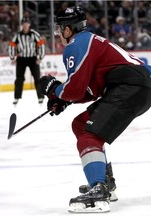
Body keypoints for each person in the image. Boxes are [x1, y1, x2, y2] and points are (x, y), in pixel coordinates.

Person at [39, 6, 151, 213]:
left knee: (89, 135)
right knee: (81, 124)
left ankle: (99, 190)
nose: (58, 32)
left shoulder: (76, 45)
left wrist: (55, 89)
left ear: (68, 29)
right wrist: (64, 100)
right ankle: (105, 182)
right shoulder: (90, 40)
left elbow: (74, 89)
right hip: (136, 86)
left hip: (130, 87)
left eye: (60, 28)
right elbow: (91, 89)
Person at [8, 16, 45, 105]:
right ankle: (17, 97)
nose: (25, 25)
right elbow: (12, 45)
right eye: (24, 23)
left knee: (37, 78)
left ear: (29, 24)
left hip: (33, 58)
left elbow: (41, 44)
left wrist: (40, 57)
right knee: (19, 79)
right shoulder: (18, 35)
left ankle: (40, 96)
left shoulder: (34, 34)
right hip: (21, 59)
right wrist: (12, 58)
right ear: (22, 25)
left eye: (27, 23)